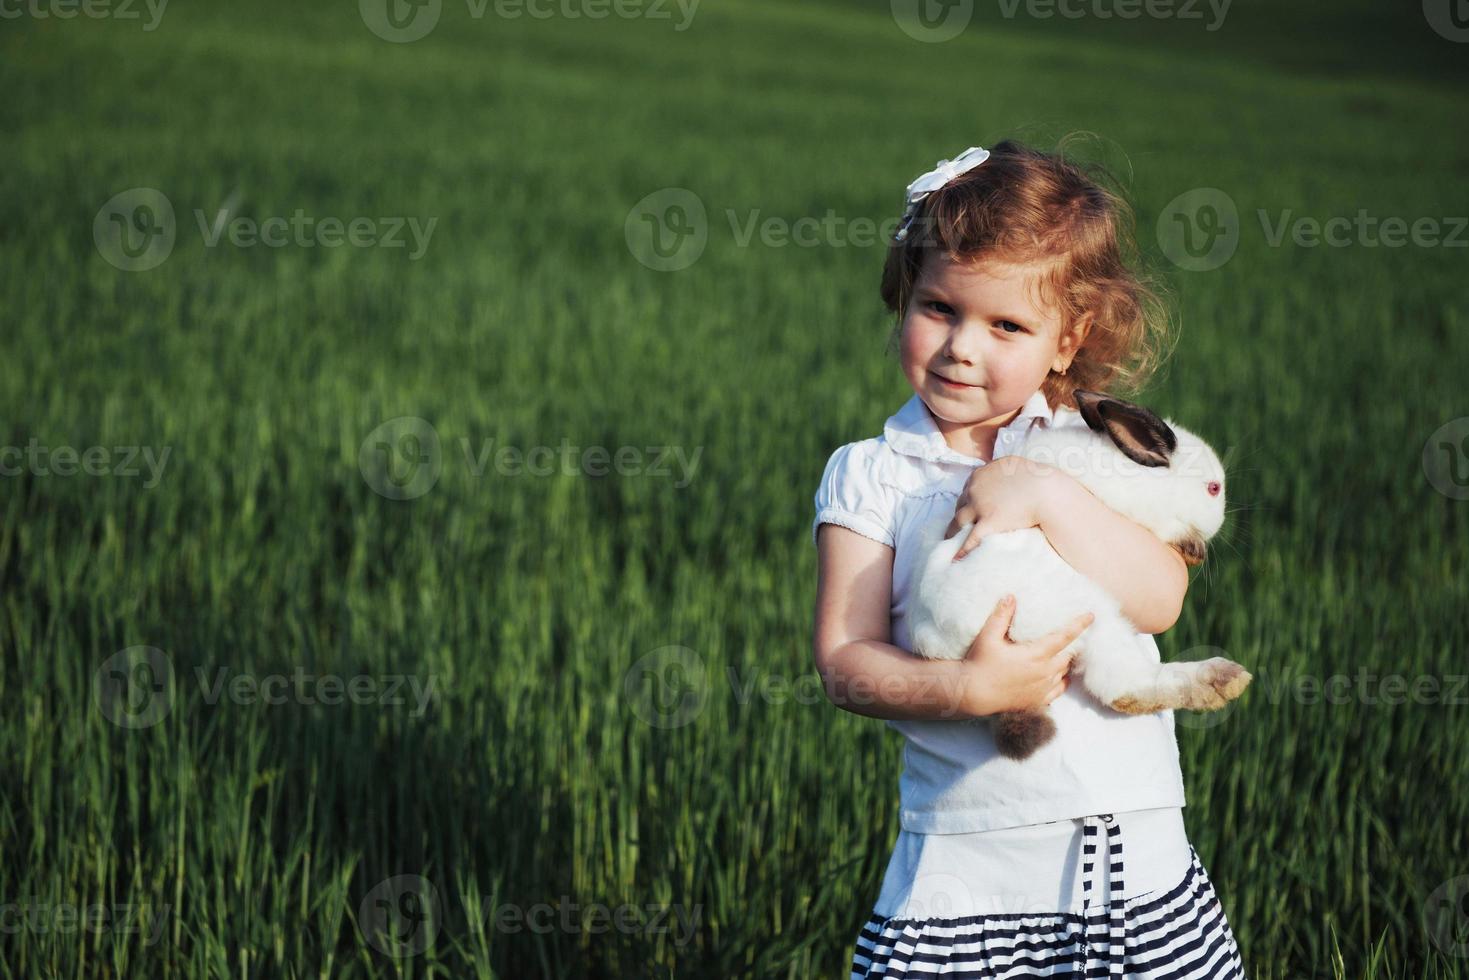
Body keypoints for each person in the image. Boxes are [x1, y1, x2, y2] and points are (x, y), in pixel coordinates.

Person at [812, 139, 1246, 978]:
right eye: (939, 307)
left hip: (1127, 837)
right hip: (967, 852)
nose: (960, 348)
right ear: (905, 296)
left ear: (1065, 340)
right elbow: (843, 660)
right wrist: (968, 689)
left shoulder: (1085, 447)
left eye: (1006, 324)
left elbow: (1158, 601)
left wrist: (1046, 496)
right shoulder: (872, 476)